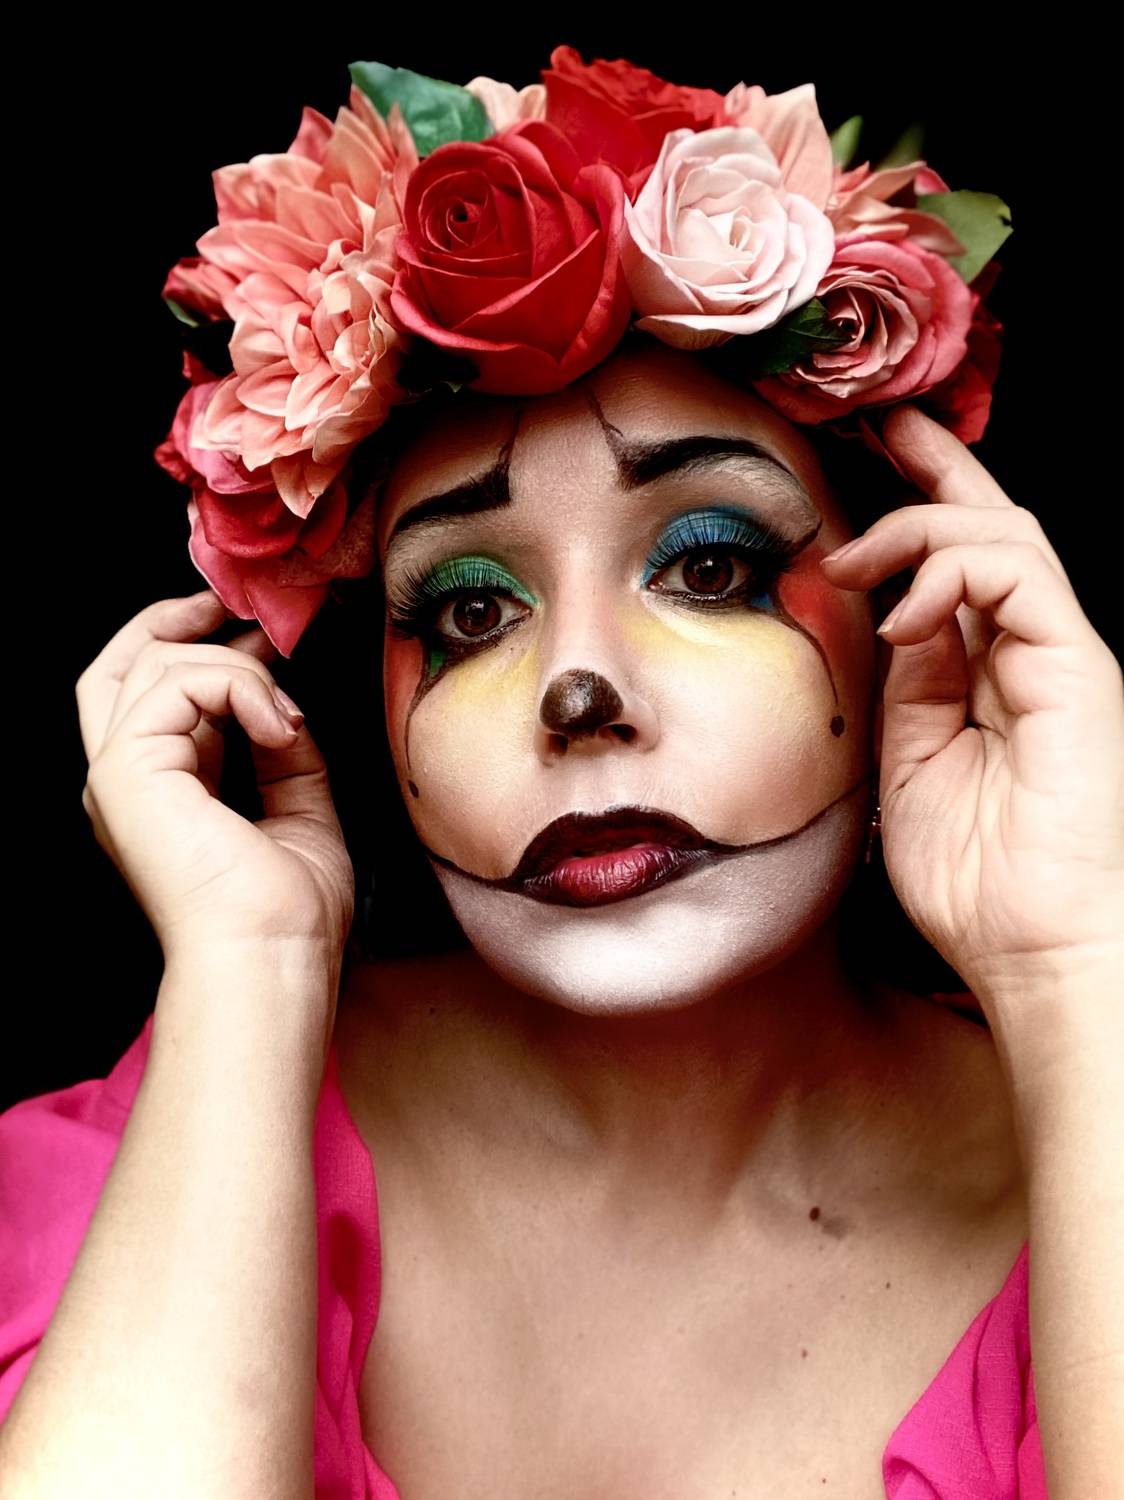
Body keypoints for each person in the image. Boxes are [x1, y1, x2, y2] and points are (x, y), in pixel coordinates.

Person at [2, 49, 1121, 1500]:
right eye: (472, 607)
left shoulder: (1087, 1125)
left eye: (709, 565)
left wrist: (1072, 963)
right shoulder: (160, 1152)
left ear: (909, 618)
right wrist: (249, 965)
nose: (576, 690)